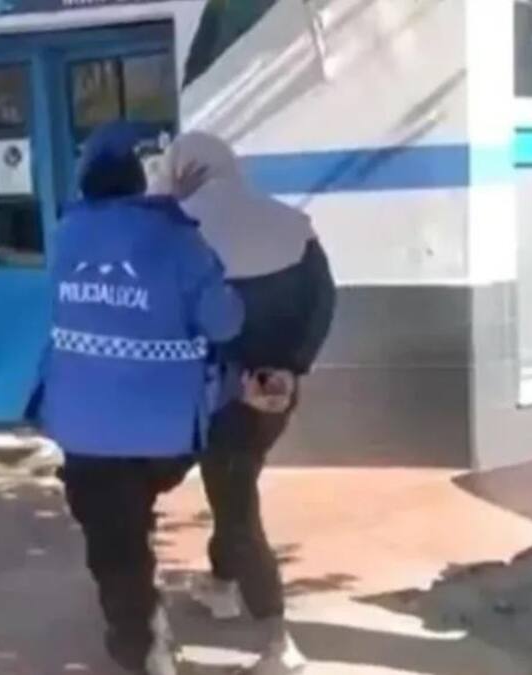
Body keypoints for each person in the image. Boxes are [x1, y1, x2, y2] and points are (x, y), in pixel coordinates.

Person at [27, 121, 243, 675]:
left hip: (84, 424)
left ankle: (140, 643)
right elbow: (223, 321)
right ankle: (145, 629)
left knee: (114, 542)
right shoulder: (178, 238)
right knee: (132, 511)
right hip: (163, 432)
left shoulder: (67, 234)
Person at [167, 132, 336, 675]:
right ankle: (220, 585)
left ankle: (279, 642)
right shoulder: (291, 225)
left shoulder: (180, 230)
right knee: (233, 483)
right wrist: (293, 366)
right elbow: (323, 302)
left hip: (216, 391)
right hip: (277, 390)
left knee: (236, 504)